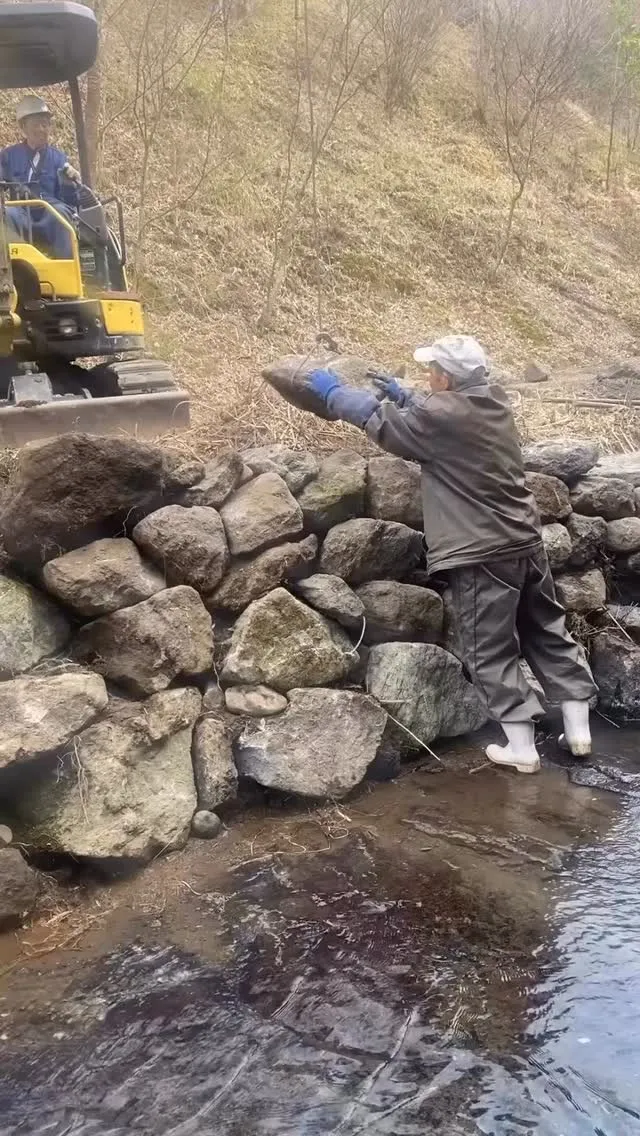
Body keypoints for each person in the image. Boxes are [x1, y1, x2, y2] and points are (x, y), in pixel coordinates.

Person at [307, 335, 597, 775]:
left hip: (481, 550)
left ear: (446, 376)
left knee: (489, 647)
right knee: (545, 628)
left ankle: (522, 749)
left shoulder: (438, 413)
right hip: (525, 539)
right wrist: (407, 397)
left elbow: (380, 422)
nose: (427, 377)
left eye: (431, 372)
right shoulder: (493, 402)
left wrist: (332, 392)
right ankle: (579, 733)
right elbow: (444, 424)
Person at [0, 94, 81, 260]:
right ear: (23, 126)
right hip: (20, 212)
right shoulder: (9, 156)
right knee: (4, 214)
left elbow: (71, 201)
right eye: (37, 124)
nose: (42, 129)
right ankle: (17, 268)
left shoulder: (59, 158)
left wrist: (70, 184)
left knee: (61, 214)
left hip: (50, 212)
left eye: (45, 124)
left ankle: (65, 269)